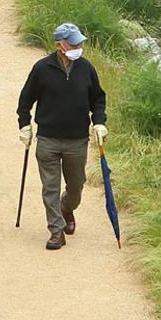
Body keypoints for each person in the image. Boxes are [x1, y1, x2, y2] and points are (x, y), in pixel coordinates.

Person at [16, 22, 108, 250]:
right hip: (48, 139)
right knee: (50, 187)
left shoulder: (86, 68)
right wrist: (24, 125)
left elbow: (98, 99)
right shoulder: (42, 69)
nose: (79, 46)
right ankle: (56, 231)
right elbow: (25, 101)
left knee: (76, 186)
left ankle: (67, 208)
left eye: (79, 42)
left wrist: (99, 123)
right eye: (74, 42)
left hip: (77, 140)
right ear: (59, 45)